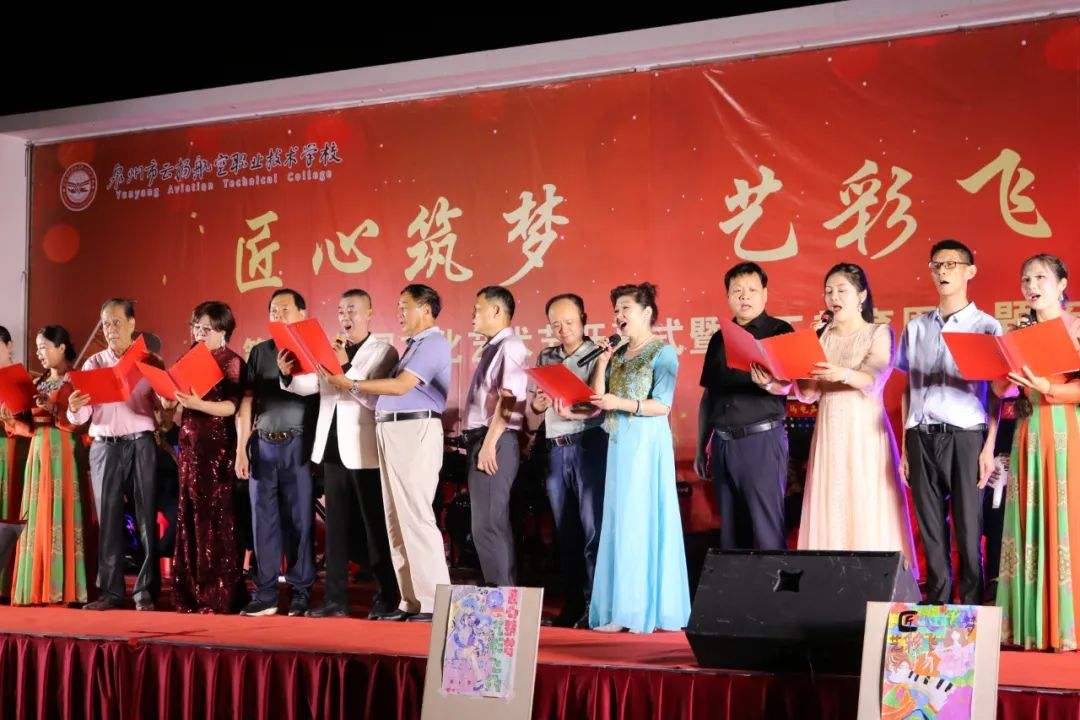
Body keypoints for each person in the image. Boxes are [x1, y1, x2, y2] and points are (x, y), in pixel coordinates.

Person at [765, 264, 917, 573]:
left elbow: (874, 378)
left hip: (864, 431)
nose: (834, 297)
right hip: (829, 432)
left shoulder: (878, 332)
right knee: (831, 500)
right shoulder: (822, 337)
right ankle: (831, 577)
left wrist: (842, 373)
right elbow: (808, 393)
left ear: (861, 296)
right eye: (829, 291)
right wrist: (791, 365)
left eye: (842, 290)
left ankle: (875, 576)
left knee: (865, 498)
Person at [338, 284, 452, 623]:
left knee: (416, 516)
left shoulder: (433, 343)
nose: (399, 313)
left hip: (414, 430)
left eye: (405, 306)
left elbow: (401, 386)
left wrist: (351, 383)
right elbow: (379, 397)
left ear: (426, 309)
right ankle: (410, 600)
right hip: (391, 429)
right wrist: (347, 377)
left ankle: (433, 601)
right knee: (395, 519)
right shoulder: (412, 347)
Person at [897, 239, 1001, 604]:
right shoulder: (916, 328)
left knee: (969, 531)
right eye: (937, 265)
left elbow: (998, 393)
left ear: (970, 271)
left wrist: (988, 447)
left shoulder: (987, 327)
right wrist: (906, 444)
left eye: (951, 265)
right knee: (931, 532)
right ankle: (937, 609)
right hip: (920, 437)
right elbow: (908, 387)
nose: (943, 272)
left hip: (965, 438)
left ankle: (972, 611)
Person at [288, 289, 400, 619]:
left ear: (369, 313)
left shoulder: (384, 351)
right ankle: (335, 600)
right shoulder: (330, 348)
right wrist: (288, 373)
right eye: (340, 311)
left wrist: (345, 366)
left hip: (365, 450)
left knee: (374, 526)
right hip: (332, 448)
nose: (345, 317)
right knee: (335, 528)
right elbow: (310, 387)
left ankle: (386, 597)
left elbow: (372, 397)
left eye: (352, 310)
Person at [587, 282, 690, 634]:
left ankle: (638, 610)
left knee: (639, 521)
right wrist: (602, 362)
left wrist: (620, 403)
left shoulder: (663, 351)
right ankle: (619, 608)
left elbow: (662, 405)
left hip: (646, 444)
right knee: (618, 522)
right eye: (616, 310)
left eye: (626, 308)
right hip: (619, 443)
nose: (619, 315)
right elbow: (598, 398)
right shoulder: (617, 354)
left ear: (647, 312)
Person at [995, 254, 1080, 651]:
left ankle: (1066, 625)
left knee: (1066, 522)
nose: (1032, 285)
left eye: (1041, 277)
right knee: (1027, 523)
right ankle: (1030, 626)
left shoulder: (1075, 328)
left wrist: (1048, 386)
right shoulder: (1017, 333)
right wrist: (1004, 375)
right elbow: (1000, 390)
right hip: (1027, 434)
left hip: (1065, 434)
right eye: (1026, 279)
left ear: (1062, 285)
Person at [68, 299, 160, 611]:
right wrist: (75, 408)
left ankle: (145, 592)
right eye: (106, 324)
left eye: (116, 322)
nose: (110, 329)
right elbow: (82, 417)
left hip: (141, 443)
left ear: (132, 324)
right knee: (108, 519)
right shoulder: (93, 364)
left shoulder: (148, 361)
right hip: (105, 446)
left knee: (146, 516)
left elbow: (164, 407)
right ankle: (111, 592)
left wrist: (167, 403)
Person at [696, 262, 794, 551]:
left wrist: (769, 381)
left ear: (765, 294)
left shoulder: (779, 331)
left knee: (766, 529)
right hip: (723, 444)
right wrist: (703, 446)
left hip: (761, 440)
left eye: (751, 290)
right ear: (728, 296)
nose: (744, 296)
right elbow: (709, 396)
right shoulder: (719, 339)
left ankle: (774, 582)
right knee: (730, 533)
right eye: (737, 290)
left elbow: (792, 385)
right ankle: (735, 582)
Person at [235, 289, 319, 617]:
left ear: (302, 313)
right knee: (263, 522)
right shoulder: (260, 352)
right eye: (273, 310)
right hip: (262, 445)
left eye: (285, 309)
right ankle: (266, 593)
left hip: (298, 445)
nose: (278, 315)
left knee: (300, 522)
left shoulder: (314, 349)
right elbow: (247, 402)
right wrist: (242, 449)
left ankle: (300, 592)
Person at [163, 302, 248, 614]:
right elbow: (173, 402)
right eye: (196, 327)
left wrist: (198, 404)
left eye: (206, 329)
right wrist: (167, 398)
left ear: (223, 331)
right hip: (188, 447)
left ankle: (218, 592)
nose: (198, 333)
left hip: (216, 447)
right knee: (189, 512)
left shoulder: (231, 361)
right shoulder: (188, 359)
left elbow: (232, 407)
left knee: (214, 516)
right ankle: (191, 590)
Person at [528, 294, 606, 629]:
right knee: (566, 531)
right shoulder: (547, 356)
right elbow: (534, 407)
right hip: (556, 449)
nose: (563, 330)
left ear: (584, 319)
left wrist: (572, 407)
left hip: (589, 445)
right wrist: (540, 401)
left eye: (570, 322)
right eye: (556, 324)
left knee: (593, 529)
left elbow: (601, 404)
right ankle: (573, 603)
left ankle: (596, 605)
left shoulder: (598, 354)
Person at [10, 326, 88, 606]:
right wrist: (12, 416)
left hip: (63, 450)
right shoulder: (38, 381)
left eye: (44, 347)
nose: (39, 353)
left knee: (61, 512)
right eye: (37, 348)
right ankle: (36, 586)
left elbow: (83, 424)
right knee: (38, 515)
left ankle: (63, 589)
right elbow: (28, 427)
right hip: (38, 450)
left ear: (62, 347)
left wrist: (54, 408)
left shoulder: (76, 380)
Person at [462, 286, 529, 587]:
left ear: (497, 310)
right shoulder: (495, 347)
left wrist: (489, 444)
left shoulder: (510, 346)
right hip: (486, 439)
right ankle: (500, 596)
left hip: (494, 439)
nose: (473, 314)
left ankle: (503, 599)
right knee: (486, 525)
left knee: (489, 525)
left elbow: (509, 398)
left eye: (477, 308)